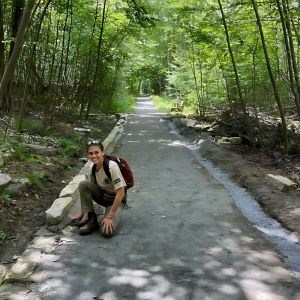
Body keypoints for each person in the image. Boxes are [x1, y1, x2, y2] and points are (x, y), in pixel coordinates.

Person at [76, 139, 127, 237]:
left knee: (106, 232)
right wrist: (84, 211)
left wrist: (110, 216)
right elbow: (89, 190)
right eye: (91, 153)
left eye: (96, 152)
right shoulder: (93, 168)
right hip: (103, 197)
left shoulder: (112, 167)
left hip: (115, 200)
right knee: (83, 184)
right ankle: (91, 220)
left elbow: (121, 193)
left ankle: (111, 213)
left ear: (103, 152)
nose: (94, 156)